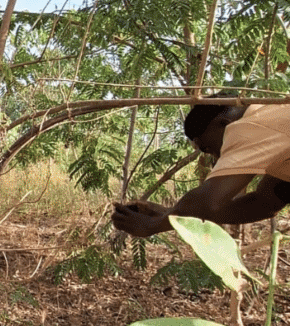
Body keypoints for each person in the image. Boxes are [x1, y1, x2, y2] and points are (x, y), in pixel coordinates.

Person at [112, 99, 290, 238]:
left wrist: (153, 225)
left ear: (222, 123)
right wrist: (170, 214)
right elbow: (265, 203)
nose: (216, 156)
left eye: (207, 148)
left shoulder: (248, 125)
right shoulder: (273, 118)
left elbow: (208, 202)